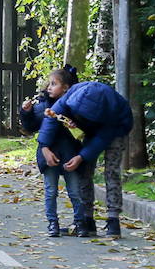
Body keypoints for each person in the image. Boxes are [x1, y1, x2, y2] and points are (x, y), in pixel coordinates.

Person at [40, 78, 134, 238]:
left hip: (116, 129)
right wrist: (44, 146)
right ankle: (86, 219)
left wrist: (81, 156)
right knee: (84, 171)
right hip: (92, 130)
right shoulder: (69, 98)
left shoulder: (111, 110)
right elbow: (52, 118)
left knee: (111, 172)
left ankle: (113, 220)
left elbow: (102, 138)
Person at [20, 65, 86, 238]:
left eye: (54, 84)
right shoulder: (42, 106)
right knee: (51, 191)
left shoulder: (75, 107)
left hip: (70, 153)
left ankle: (80, 223)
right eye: (49, 84)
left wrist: (75, 125)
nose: (49, 87)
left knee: (74, 191)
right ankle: (52, 223)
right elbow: (30, 127)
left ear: (65, 88)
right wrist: (26, 113)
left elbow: (83, 131)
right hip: (47, 154)